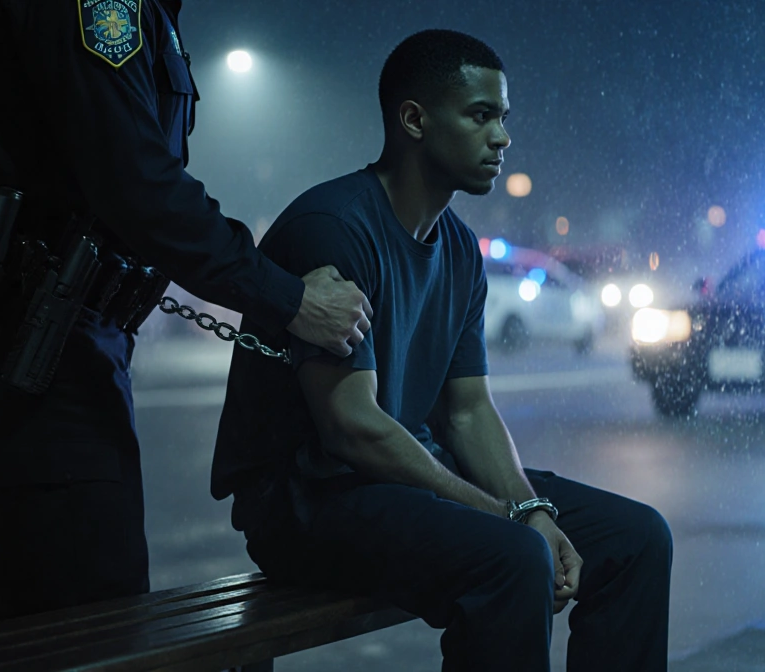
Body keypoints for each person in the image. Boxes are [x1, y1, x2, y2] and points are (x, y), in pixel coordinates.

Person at [213, 29, 673, 671]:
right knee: (514, 558)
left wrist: (530, 508)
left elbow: (467, 413)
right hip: (308, 503)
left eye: (504, 117)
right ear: (414, 121)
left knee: (635, 538)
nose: (503, 137)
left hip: (399, 484)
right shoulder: (334, 230)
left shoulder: (458, 248)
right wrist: (506, 521)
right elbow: (351, 428)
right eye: (481, 115)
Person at [0, 0, 371, 621]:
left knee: (70, 608)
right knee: (86, 615)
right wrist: (291, 300)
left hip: (50, 312)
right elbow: (139, 184)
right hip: (29, 320)